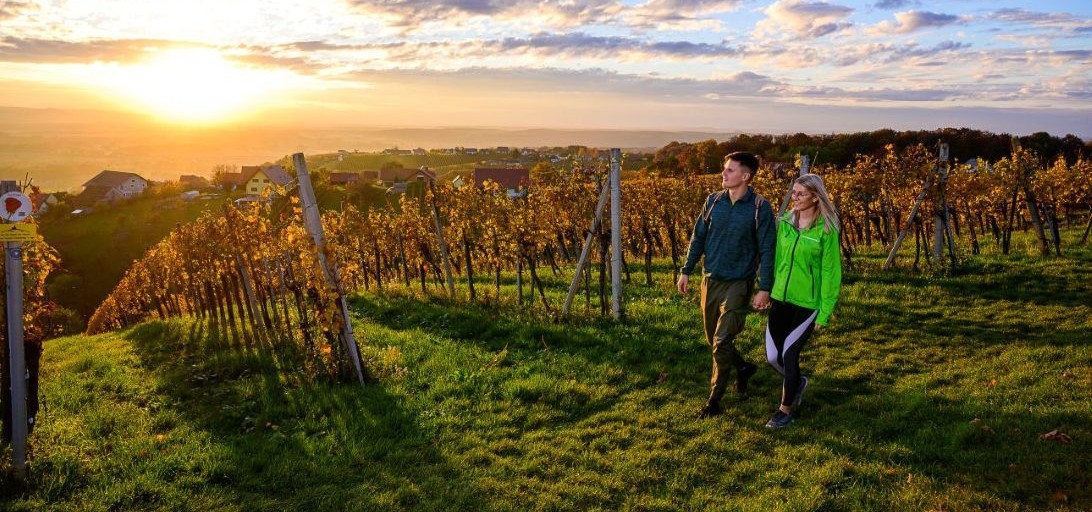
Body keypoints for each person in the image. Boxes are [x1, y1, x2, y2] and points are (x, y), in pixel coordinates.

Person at [678, 151, 776, 419]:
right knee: (713, 340)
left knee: (721, 342)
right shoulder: (713, 201)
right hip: (710, 280)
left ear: (745, 176)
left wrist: (764, 287)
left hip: (738, 283)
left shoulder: (759, 207)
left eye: (730, 170)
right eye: (725, 169)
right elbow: (698, 238)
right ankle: (743, 368)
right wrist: (686, 270)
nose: (724, 174)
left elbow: (768, 249)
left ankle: (714, 401)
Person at [763, 173, 843, 428]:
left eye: (800, 194)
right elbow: (777, 260)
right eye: (793, 192)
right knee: (773, 357)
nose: (794, 198)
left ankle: (785, 410)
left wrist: (825, 310)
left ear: (816, 198)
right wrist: (767, 290)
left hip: (808, 304)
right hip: (780, 299)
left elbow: (832, 272)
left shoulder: (827, 230)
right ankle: (798, 382)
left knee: (789, 354)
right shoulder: (785, 223)